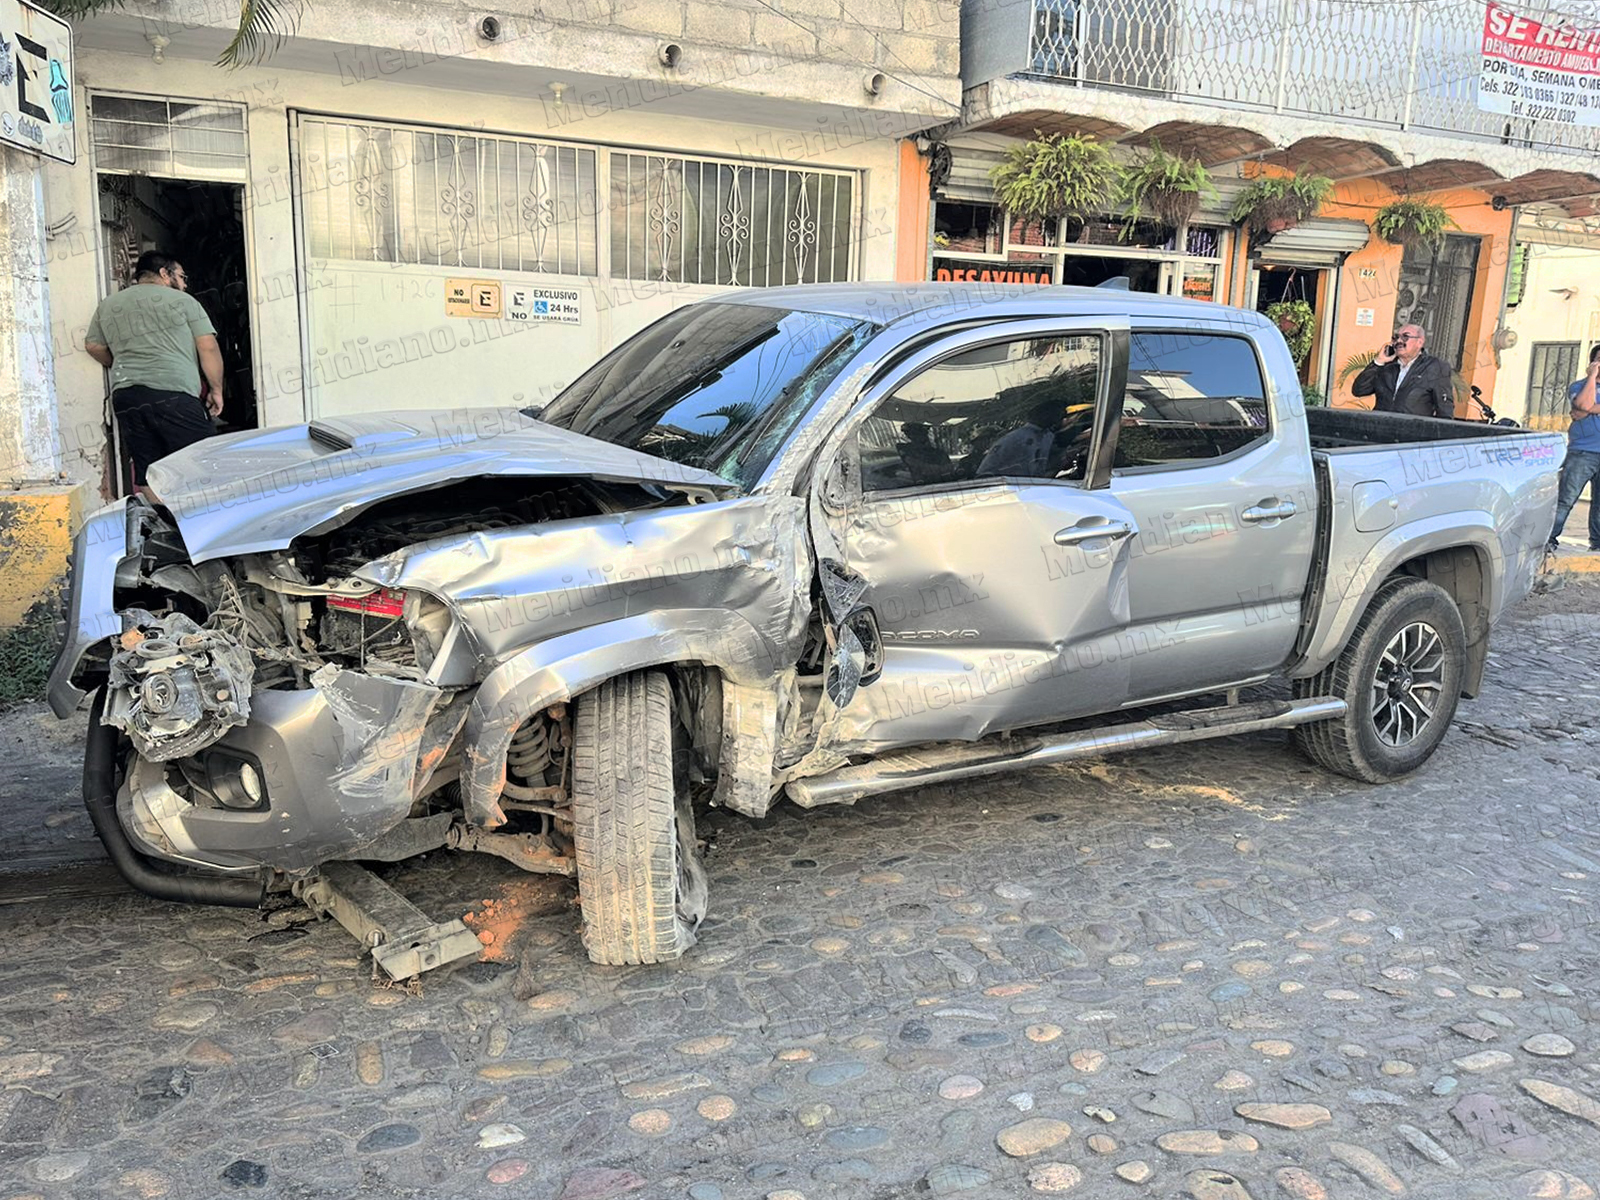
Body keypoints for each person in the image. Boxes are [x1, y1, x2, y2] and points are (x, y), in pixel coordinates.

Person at [85, 252, 224, 491]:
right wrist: (216, 389)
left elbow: (93, 346)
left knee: (148, 467)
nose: (185, 284)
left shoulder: (108, 305)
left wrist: (121, 363)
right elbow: (208, 347)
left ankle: (167, 522)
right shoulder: (184, 302)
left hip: (127, 396)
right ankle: (201, 522)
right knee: (206, 460)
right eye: (181, 276)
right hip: (174, 395)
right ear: (164, 273)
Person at [1547, 344, 1600, 553]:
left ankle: (1597, 544)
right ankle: (1549, 538)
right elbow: (1582, 404)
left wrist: (1587, 410)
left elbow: (1584, 408)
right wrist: (1592, 377)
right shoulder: (1578, 386)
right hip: (1582, 452)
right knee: (1565, 499)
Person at [1351, 324, 1455, 418]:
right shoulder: (1387, 366)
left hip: (1411, 433)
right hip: (1381, 429)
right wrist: (1378, 362)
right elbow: (1359, 390)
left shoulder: (1435, 367)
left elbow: (1444, 408)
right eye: (1396, 337)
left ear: (1419, 342)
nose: (1399, 341)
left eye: (1405, 337)